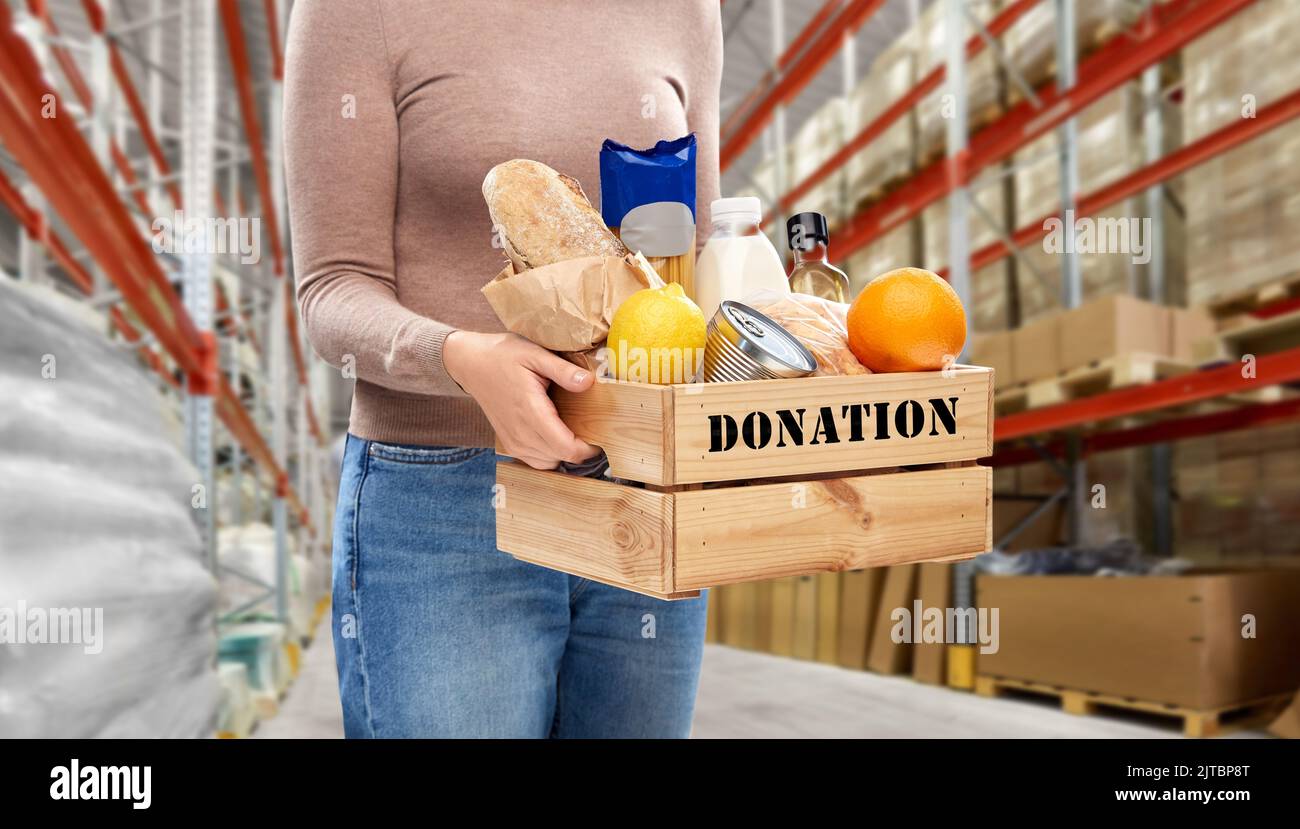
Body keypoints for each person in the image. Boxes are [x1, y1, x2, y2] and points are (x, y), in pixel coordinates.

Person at [284, 0, 721, 738]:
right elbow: (333, 289)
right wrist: (462, 360)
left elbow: (692, 262)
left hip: (643, 493)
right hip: (443, 504)